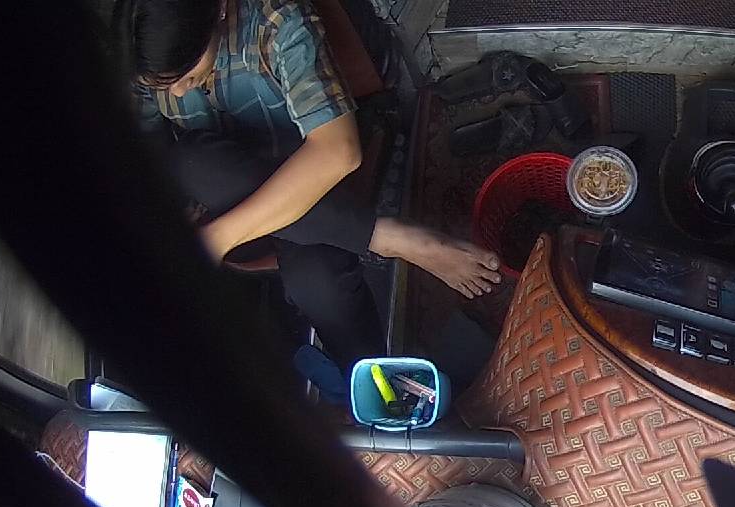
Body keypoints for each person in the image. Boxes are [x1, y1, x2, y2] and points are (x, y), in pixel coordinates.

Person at [113, 0, 502, 372]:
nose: (179, 92)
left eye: (186, 74)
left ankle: (373, 378)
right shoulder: (145, 62)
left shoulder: (274, 21)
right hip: (232, 199)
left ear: (218, 8)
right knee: (192, 163)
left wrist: (216, 239)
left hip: (312, 185)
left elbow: (337, 153)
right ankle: (385, 236)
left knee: (319, 283)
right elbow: (151, 156)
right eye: (165, 86)